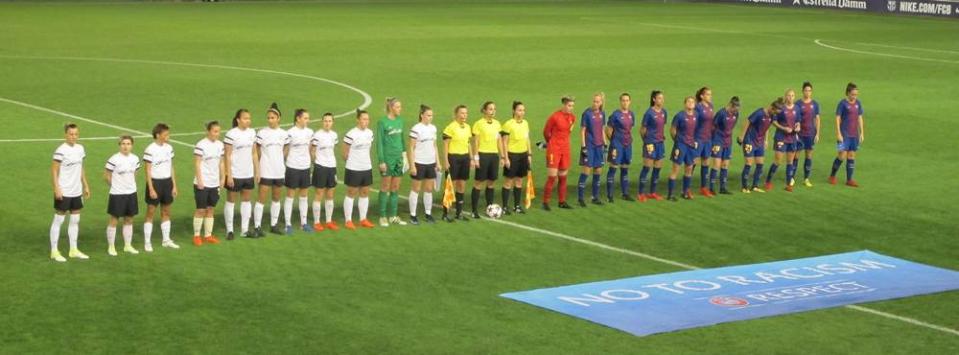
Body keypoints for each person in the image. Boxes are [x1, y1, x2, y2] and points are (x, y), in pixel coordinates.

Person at [49, 123, 91, 262]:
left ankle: (73, 249)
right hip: (64, 190)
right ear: (65, 135)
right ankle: (54, 251)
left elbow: (81, 168)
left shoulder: (80, 149)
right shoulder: (60, 150)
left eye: (76, 134)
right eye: (71, 134)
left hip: (76, 190)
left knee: (75, 220)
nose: (73, 136)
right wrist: (56, 188)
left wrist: (85, 185)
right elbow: (54, 170)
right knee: (59, 219)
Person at [255, 102, 290, 235]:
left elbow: (286, 147)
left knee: (276, 198)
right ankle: (257, 226)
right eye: (268, 118)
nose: (270, 120)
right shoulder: (262, 133)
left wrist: (281, 157)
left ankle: (274, 225)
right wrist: (261, 162)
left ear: (278, 118)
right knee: (261, 198)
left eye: (272, 117)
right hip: (265, 170)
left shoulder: (284, 134)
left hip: (279, 171)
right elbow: (257, 149)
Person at [143, 123, 179, 250]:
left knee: (166, 211)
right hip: (155, 183)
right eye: (166, 134)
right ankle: (147, 242)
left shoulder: (169, 148)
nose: (168, 136)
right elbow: (147, 170)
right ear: (158, 135)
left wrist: (174, 185)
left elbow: (171, 167)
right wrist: (151, 188)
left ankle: (166, 240)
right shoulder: (150, 149)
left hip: (167, 183)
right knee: (151, 212)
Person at [223, 109, 257, 240]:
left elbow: (254, 153)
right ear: (238, 120)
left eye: (249, 118)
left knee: (246, 201)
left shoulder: (252, 132)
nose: (248, 120)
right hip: (235, 173)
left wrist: (256, 171)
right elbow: (227, 155)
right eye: (245, 118)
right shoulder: (231, 134)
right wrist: (229, 174)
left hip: (247, 173)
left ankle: (245, 230)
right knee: (231, 201)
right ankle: (230, 230)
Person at [104, 136, 141, 256]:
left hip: (131, 193)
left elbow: (135, 174)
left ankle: (128, 245)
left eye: (128, 144)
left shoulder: (135, 158)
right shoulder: (114, 159)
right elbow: (106, 175)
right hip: (117, 194)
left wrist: (130, 186)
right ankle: (111, 246)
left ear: (132, 145)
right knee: (114, 219)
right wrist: (115, 186)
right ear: (120, 145)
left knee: (129, 219)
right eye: (123, 144)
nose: (126, 146)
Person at [738, 98, 783, 193]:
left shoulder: (772, 115)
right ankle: (744, 187)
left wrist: (766, 140)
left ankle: (755, 186)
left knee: (760, 164)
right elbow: (747, 121)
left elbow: (767, 127)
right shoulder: (759, 113)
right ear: (772, 107)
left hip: (760, 142)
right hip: (750, 140)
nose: (775, 115)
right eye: (775, 112)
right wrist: (742, 136)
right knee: (749, 163)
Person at [192, 121, 225, 246]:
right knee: (201, 209)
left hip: (214, 183)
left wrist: (222, 178)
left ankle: (208, 235)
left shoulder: (220, 145)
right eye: (215, 131)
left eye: (218, 131)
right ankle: (196, 235)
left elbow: (221, 162)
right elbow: (197, 163)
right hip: (203, 183)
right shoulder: (201, 145)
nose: (217, 134)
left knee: (210, 208)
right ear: (209, 131)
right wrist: (200, 180)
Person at [342, 109, 376, 230]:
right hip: (353, 168)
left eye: (367, 119)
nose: (366, 121)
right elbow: (344, 153)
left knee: (365, 192)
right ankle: (348, 220)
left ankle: (363, 219)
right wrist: (352, 163)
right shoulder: (351, 134)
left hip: (366, 167)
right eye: (363, 119)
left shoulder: (370, 133)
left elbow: (369, 150)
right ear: (358, 120)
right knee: (351, 193)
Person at [377, 97, 408, 226]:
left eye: (400, 107)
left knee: (395, 187)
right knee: (385, 187)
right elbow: (379, 143)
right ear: (391, 108)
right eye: (398, 107)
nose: (400, 109)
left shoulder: (400, 121)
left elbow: (401, 140)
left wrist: (405, 156)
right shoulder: (382, 122)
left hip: (398, 159)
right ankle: (382, 216)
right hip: (388, 159)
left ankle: (393, 216)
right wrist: (381, 161)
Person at [408, 105, 441, 224]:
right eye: (428, 115)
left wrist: (438, 162)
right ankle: (413, 215)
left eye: (431, 115)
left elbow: (434, 146)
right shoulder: (416, 129)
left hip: (430, 163)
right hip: (419, 163)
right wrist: (412, 165)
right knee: (416, 188)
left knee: (429, 189)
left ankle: (428, 213)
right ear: (422, 115)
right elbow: (411, 148)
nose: (430, 118)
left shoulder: (433, 128)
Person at [542, 96, 576, 210]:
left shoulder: (573, 118)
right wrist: (551, 143)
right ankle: (545, 202)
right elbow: (546, 132)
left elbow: (569, 132)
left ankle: (562, 201)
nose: (571, 108)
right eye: (569, 105)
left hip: (565, 149)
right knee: (552, 176)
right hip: (554, 149)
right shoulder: (554, 117)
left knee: (563, 176)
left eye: (572, 106)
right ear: (564, 105)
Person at [284, 109, 315, 233]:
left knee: (304, 195)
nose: (308, 120)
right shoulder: (290, 133)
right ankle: (288, 224)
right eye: (305, 118)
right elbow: (285, 151)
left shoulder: (310, 132)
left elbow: (310, 149)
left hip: (305, 167)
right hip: (292, 166)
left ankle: (304, 223)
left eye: (308, 118)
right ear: (298, 118)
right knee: (290, 195)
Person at [470, 101, 503, 218]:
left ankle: (489, 207)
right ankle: (474, 210)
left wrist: (502, 156)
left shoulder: (498, 124)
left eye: (494, 109)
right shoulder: (478, 124)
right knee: (478, 182)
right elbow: (475, 143)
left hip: (494, 156)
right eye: (490, 109)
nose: (492, 111)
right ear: (484, 110)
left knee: (491, 182)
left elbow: (499, 141)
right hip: (483, 155)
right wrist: (476, 158)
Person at [442, 105, 474, 222]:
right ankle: (445, 213)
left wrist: (471, 158)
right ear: (456, 114)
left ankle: (459, 213)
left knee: (462, 184)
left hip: (464, 158)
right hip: (453, 158)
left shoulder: (468, 127)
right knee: (451, 185)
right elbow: (445, 145)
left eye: (466, 113)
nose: (464, 115)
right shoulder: (450, 128)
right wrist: (445, 160)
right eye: (462, 113)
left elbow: (468, 143)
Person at [829, 82, 865, 187]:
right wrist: (838, 133)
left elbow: (860, 117)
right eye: (853, 94)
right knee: (842, 155)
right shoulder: (842, 104)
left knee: (852, 155)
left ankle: (849, 180)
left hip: (854, 134)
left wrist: (862, 132)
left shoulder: (858, 103)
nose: (855, 96)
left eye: (856, 94)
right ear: (848, 93)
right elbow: (837, 118)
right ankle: (832, 176)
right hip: (844, 134)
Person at [500, 101, 532, 214]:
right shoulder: (508, 124)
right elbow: (504, 142)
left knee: (519, 181)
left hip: (523, 155)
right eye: (519, 110)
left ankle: (517, 206)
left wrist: (529, 154)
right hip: (512, 155)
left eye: (523, 110)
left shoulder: (525, 123)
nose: (522, 112)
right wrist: (505, 158)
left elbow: (527, 139)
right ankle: (504, 207)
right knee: (508, 181)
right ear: (514, 111)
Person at [767, 89, 802, 192]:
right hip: (781, 137)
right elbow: (773, 121)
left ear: (794, 97)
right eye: (789, 95)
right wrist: (783, 128)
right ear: (785, 96)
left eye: (792, 95)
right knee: (778, 161)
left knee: (790, 162)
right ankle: (768, 181)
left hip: (792, 138)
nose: (790, 97)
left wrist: (798, 126)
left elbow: (798, 121)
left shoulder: (797, 108)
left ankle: (788, 184)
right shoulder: (781, 108)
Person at [667, 97, 700, 201]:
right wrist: (677, 142)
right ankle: (670, 194)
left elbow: (695, 129)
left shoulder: (696, 115)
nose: (691, 103)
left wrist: (694, 141)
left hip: (690, 146)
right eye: (689, 102)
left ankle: (685, 192)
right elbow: (672, 130)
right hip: (681, 145)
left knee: (689, 168)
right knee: (675, 169)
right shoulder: (680, 116)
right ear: (685, 104)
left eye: (692, 102)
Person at [311, 112, 340, 231]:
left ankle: (328, 221)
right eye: (325, 121)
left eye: (329, 121)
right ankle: (317, 222)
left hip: (332, 167)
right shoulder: (317, 135)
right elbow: (312, 151)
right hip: (320, 167)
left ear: (332, 122)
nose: (327, 123)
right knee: (319, 194)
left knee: (330, 194)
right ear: (322, 122)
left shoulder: (334, 135)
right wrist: (316, 164)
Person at [605, 93, 636, 202]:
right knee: (613, 169)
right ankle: (609, 196)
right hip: (617, 145)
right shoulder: (615, 115)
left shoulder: (631, 114)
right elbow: (608, 129)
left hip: (627, 145)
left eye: (627, 100)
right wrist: (614, 142)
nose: (625, 102)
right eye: (623, 100)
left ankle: (625, 193)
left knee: (625, 168)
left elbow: (630, 129)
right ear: (620, 102)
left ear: (630, 102)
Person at [577, 93, 606, 206]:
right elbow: (582, 131)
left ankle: (595, 197)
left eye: (597, 102)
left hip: (599, 146)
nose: (595, 103)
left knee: (598, 171)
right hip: (589, 146)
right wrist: (583, 146)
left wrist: (605, 144)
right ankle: (580, 198)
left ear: (601, 103)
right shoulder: (587, 113)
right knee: (586, 171)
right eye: (594, 101)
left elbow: (602, 129)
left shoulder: (602, 113)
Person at [708, 96, 741, 195]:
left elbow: (732, 126)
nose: (736, 111)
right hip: (718, 140)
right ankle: (711, 188)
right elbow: (713, 126)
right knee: (717, 164)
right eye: (735, 108)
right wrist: (713, 141)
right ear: (731, 105)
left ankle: (723, 187)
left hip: (728, 141)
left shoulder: (736, 114)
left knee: (725, 164)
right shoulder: (721, 113)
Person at [637, 90, 667, 202]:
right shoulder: (649, 113)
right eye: (659, 98)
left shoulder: (664, 112)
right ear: (654, 99)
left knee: (657, 169)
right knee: (646, 168)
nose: (662, 100)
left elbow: (662, 126)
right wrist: (647, 142)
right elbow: (642, 130)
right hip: (650, 144)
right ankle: (640, 193)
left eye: (662, 98)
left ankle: (652, 192)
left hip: (660, 143)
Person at [796, 81, 821, 187]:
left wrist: (817, 133)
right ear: (802, 91)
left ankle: (806, 178)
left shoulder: (814, 104)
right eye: (806, 90)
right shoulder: (798, 104)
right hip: (800, 134)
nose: (808, 92)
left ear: (811, 92)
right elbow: (795, 119)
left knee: (809, 155)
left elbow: (817, 119)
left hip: (810, 133)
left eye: (809, 90)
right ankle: (792, 177)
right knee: (796, 155)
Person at [694, 87, 716, 197]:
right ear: (702, 96)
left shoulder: (711, 107)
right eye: (707, 94)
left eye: (710, 94)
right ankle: (686, 187)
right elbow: (693, 123)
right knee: (694, 162)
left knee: (706, 161)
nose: (710, 96)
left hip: (708, 138)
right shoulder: (697, 107)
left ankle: (703, 187)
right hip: (698, 138)